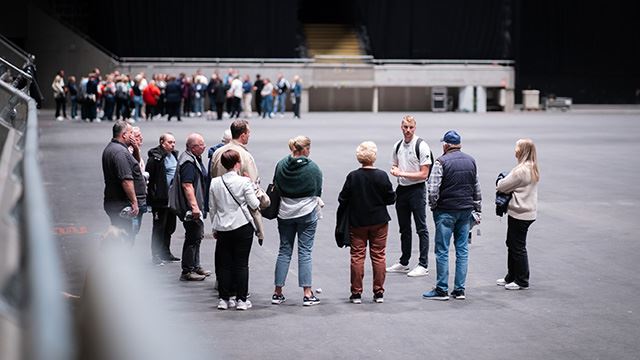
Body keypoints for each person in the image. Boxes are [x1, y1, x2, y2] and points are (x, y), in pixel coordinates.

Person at [422, 130, 481, 301]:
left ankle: (441, 289)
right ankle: (460, 289)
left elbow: (433, 189)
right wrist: (477, 210)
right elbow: (476, 188)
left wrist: (434, 207)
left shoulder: (441, 162)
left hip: (446, 212)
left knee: (442, 250)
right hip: (465, 211)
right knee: (462, 250)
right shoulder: (471, 161)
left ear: (446, 145)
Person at [338, 141, 396, 304]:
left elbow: (342, 198)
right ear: (374, 156)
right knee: (378, 256)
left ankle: (356, 293)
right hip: (379, 221)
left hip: (358, 222)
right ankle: (379, 292)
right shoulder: (382, 175)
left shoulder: (353, 176)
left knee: (357, 256)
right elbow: (390, 198)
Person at [271, 136, 323, 306]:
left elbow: (275, 185)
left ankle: (277, 293)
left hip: (285, 213)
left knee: (284, 251)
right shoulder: (313, 168)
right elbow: (317, 190)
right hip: (306, 214)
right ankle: (307, 294)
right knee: (305, 252)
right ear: (305, 149)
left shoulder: (281, 165)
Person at [209, 150, 260, 310]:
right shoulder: (244, 182)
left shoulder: (215, 183)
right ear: (237, 163)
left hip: (223, 227)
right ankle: (241, 300)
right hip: (242, 225)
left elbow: (212, 208)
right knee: (241, 264)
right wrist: (252, 184)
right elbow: (254, 204)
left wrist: (214, 227)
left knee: (224, 264)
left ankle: (224, 299)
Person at [387, 115, 433, 277]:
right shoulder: (397, 146)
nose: (407, 130)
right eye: (405, 127)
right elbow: (394, 164)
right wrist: (394, 171)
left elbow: (424, 174)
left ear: (415, 128)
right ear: (401, 127)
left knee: (421, 228)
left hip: (417, 191)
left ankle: (423, 264)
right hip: (402, 190)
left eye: (411, 127)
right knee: (404, 228)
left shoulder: (421, 146)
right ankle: (404, 261)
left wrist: (401, 173)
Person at [496, 138, 539, 290]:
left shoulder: (521, 170)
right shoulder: (532, 166)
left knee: (517, 246)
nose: (515, 150)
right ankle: (511, 276)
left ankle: (521, 280)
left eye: (517, 147)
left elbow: (502, 186)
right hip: (527, 212)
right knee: (513, 244)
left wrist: (500, 180)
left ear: (522, 151)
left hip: (519, 213)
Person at [101, 120, 146, 242]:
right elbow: (126, 180)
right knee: (125, 238)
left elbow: (135, 165)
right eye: (131, 133)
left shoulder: (117, 149)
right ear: (124, 135)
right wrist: (134, 202)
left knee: (124, 235)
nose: (133, 136)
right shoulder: (120, 152)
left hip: (117, 202)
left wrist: (135, 149)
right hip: (122, 204)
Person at [176, 133, 211, 281]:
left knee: (197, 235)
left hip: (195, 206)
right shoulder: (188, 163)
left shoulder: (194, 158)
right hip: (190, 208)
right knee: (192, 237)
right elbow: (187, 185)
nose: (204, 147)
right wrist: (195, 207)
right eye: (201, 144)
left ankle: (195, 266)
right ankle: (187, 270)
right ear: (193, 147)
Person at [146, 133, 180, 265]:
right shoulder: (156, 158)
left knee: (170, 226)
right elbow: (150, 178)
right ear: (162, 142)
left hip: (172, 198)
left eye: (174, 142)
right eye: (170, 142)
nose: (172, 145)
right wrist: (152, 197)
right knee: (159, 227)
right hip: (160, 198)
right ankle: (156, 254)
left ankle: (165, 252)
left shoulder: (174, 155)